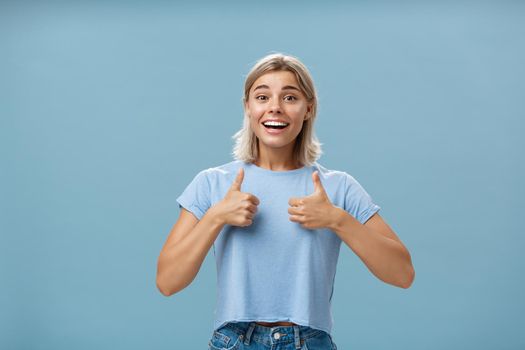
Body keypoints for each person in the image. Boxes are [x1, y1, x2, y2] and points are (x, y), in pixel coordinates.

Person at [156, 52, 415, 350]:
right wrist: (216, 217)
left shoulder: (338, 187)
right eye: (262, 97)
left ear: (308, 108)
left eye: (290, 98)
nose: (275, 108)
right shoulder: (212, 183)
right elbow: (167, 282)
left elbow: (402, 274)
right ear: (248, 107)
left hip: (309, 341)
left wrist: (337, 219)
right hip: (234, 341)